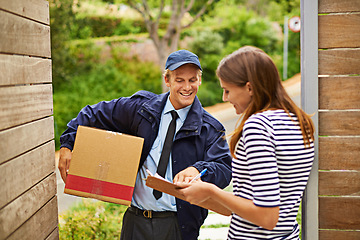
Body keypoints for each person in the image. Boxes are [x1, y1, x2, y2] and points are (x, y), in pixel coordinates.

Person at [58, 49, 232, 240]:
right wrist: (67, 144)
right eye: (179, 80)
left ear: (199, 80)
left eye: (192, 80)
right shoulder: (142, 109)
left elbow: (224, 167)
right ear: (167, 80)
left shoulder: (211, 128)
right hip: (135, 221)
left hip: (178, 226)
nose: (187, 87)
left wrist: (197, 169)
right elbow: (93, 114)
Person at [177, 46, 315, 239]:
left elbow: (267, 216)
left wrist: (211, 190)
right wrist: (200, 195)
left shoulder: (258, 126)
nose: (224, 98)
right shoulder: (298, 121)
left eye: (227, 90)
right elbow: (251, 208)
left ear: (249, 87)